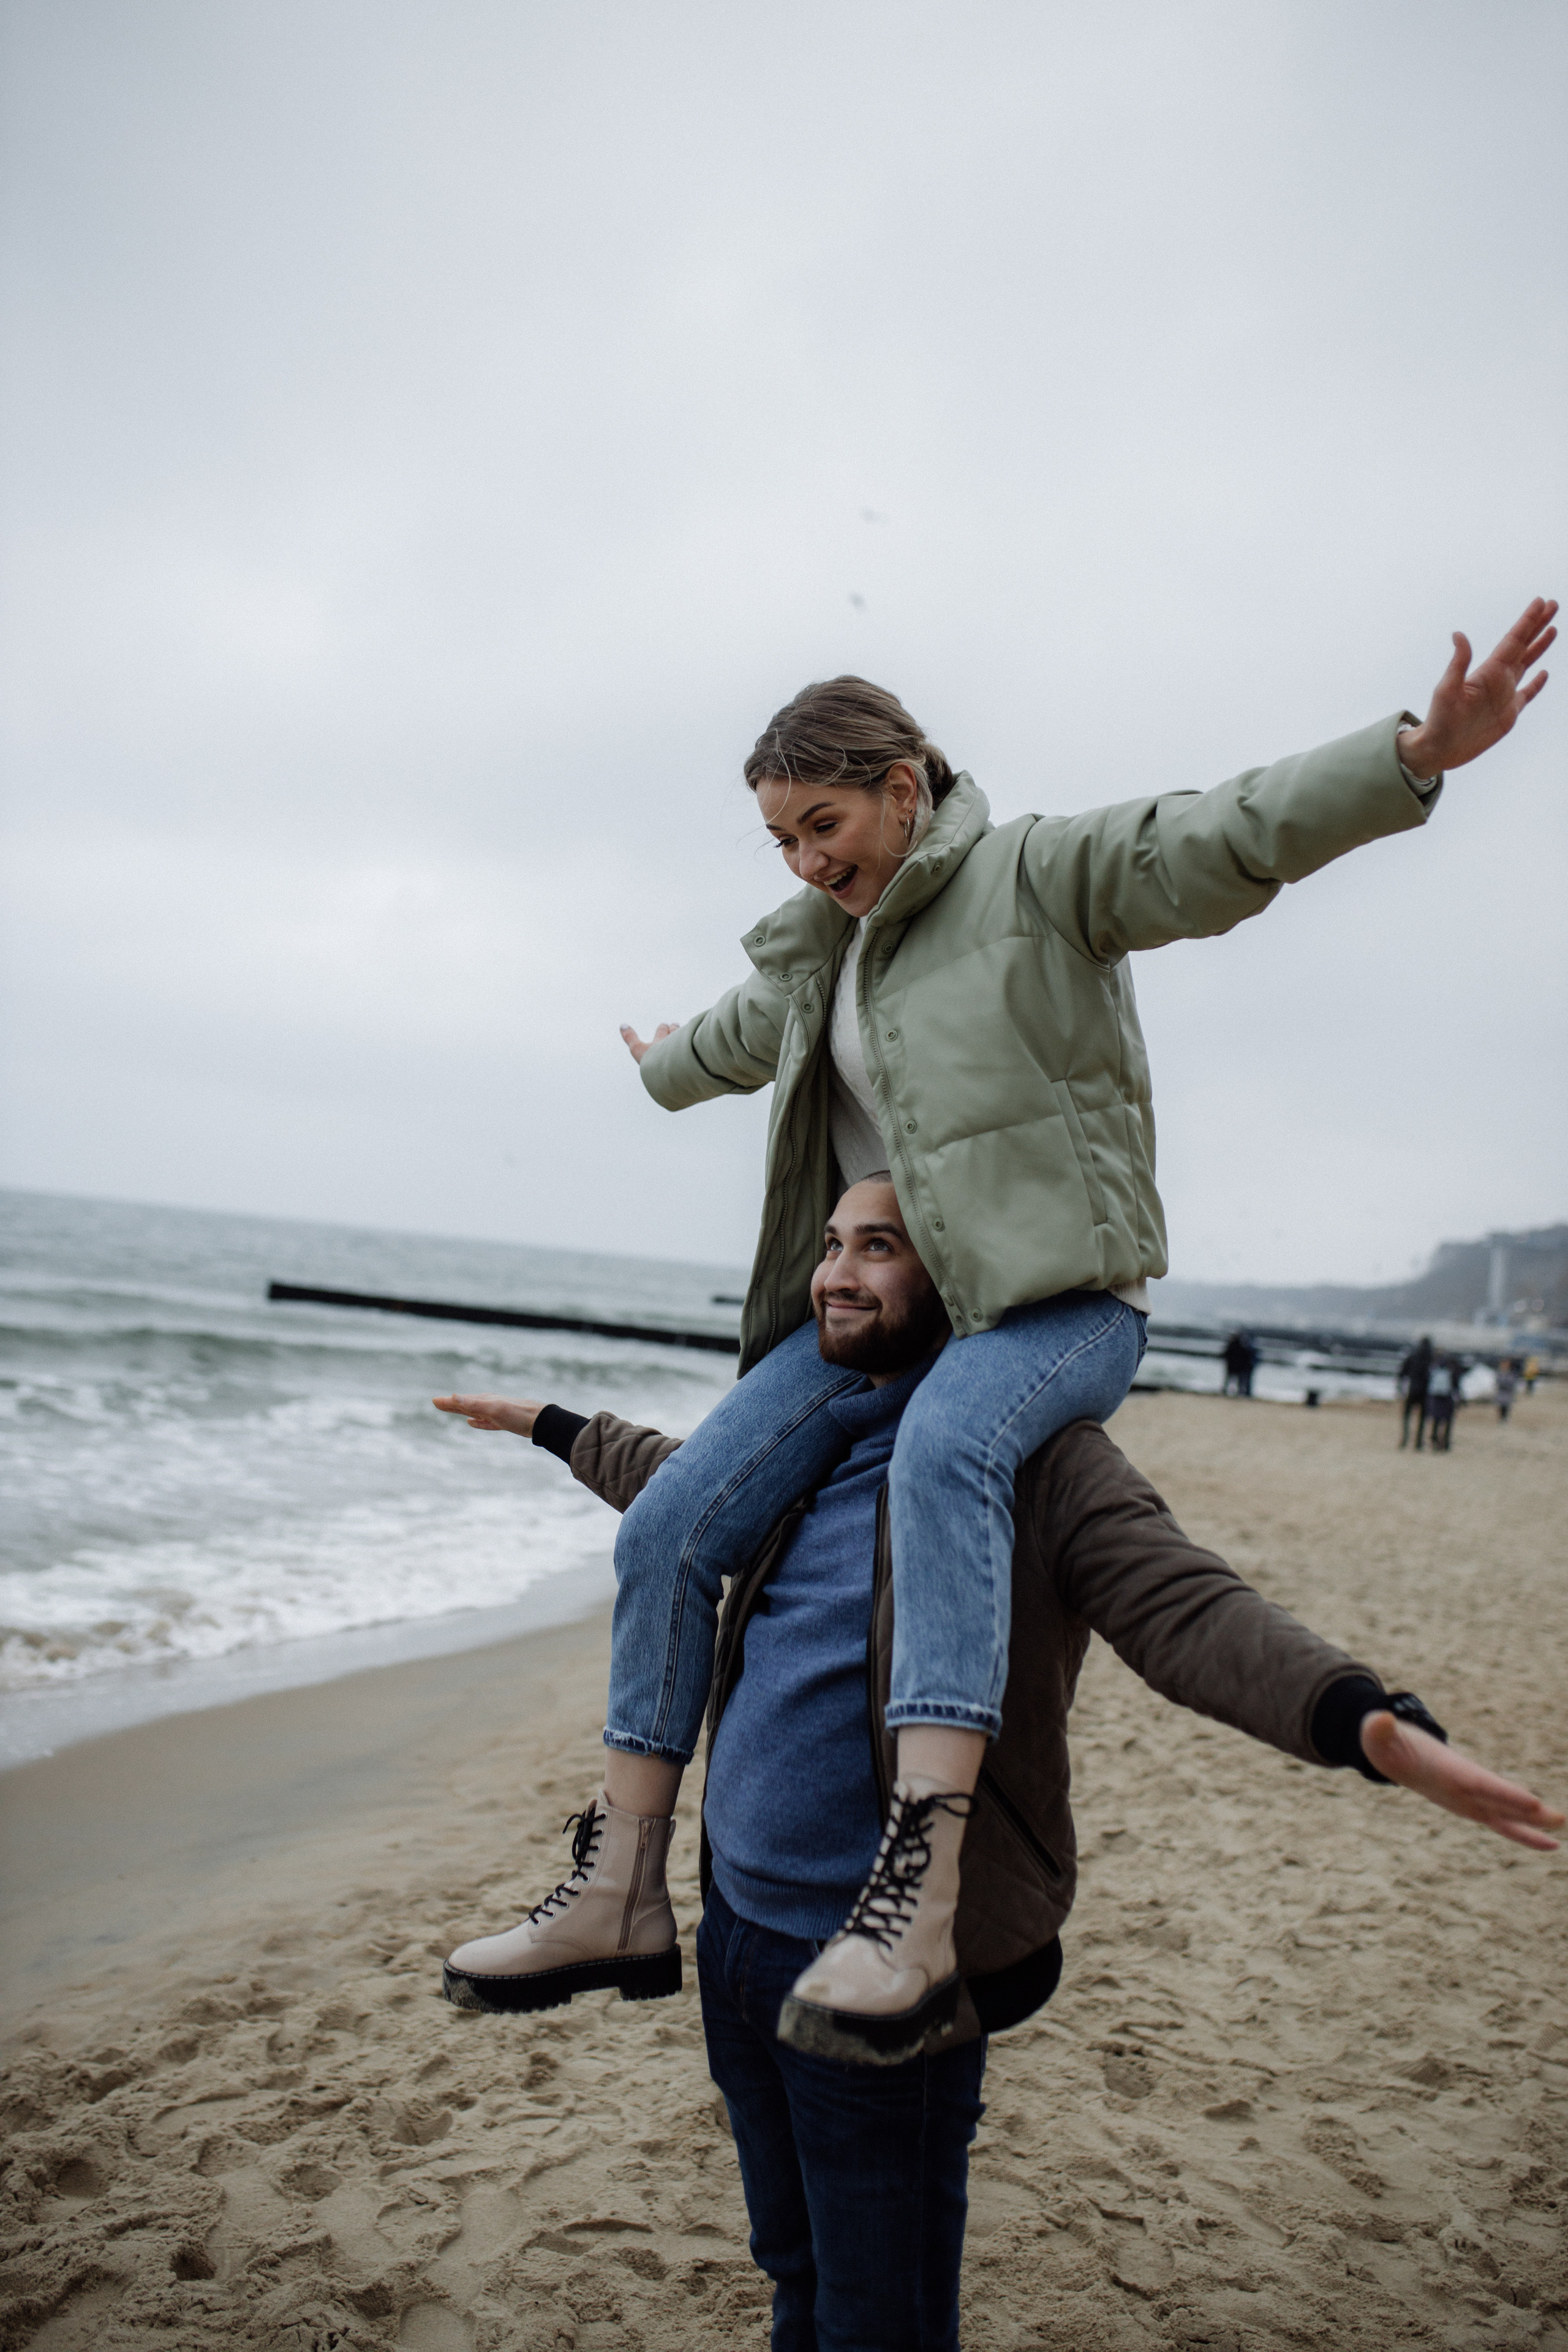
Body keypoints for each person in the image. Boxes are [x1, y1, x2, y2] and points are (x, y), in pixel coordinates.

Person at [453, 597, 1556, 2061]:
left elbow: (1215, 835)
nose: (805, 859)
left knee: (946, 1452)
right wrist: (656, 1066)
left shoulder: (1035, 877)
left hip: (1050, 1311)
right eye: (782, 838)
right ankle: (618, 1888)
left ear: (905, 787)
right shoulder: (808, 953)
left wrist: (1411, 755)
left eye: (823, 821)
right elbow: (720, 1045)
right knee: (670, 1526)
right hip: (879, 1321)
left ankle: (914, 1895)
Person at [435, 1180, 1562, 2352]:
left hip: (882, 1959)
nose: (836, 1274)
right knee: (792, 2271)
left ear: (959, 1271)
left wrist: (1362, 1721)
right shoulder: (802, 1438)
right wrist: (561, 1429)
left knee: (882, 2314)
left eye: (880, 1248)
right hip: (737, 1934)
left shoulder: (1033, 1462)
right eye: (831, 1246)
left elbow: (1182, 1606)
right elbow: (683, 1494)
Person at [1398, 1335, 1434, 1450]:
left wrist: (1400, 1389)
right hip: (1426, 1392)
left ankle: (1405, 1439)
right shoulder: (1431, 1358)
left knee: (1407, 1416)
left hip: (1412, 1390)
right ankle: (1418, 1442)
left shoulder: (1413, 1356)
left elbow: (1402, 1374)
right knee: (1422, 1418)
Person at [1427, 1353, 1461, 1450]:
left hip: (1436, 1398)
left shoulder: (1435, 1368)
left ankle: (1434, 1440)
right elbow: (1456, 1386)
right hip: (1447, 1398)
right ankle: (1445, 1443)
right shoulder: (1452, 1369)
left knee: (1436, 1420)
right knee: (1448, 1421)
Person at [1223, 1329, 1257, 1396]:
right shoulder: (1244, 1348)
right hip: (1239, 1367)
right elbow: (1246, 1358)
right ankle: (1241, 1393)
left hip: (1232, 1367)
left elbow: (1225, 1355)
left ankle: (1227, 1391)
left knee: (1230, 1380)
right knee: (1241, 1382)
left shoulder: (1232, 1346)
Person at [1495, 1357, 1519, 1422]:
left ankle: (1505, 1418)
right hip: (1501, 1392)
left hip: (1508, 1392)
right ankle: (1501, 1418)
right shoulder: (1500, 1373)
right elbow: (1498, 1381)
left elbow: (1512, 1382)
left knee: (1507, 1406)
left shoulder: (1511, 1373)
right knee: (1501, 1406)